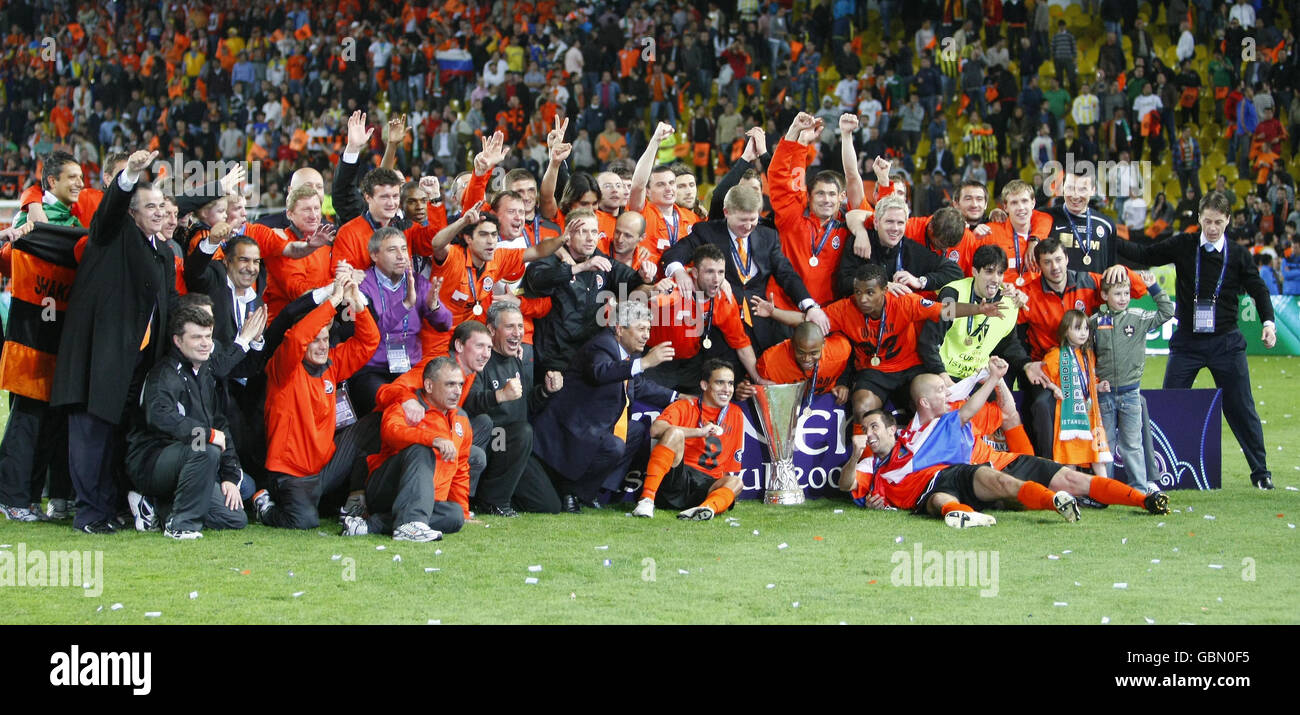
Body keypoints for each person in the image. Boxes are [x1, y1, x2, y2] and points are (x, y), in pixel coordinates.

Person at [50, 149, 180, 534]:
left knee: (114, 440)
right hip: (98, 360)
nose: (158, 212)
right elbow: (108, 212)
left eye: (161, 205)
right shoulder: (113, 232)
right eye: (149, 206)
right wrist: (129, 179)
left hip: (135, 365)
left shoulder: (162, 253)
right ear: (132, 212)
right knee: (90, 438)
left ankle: (107, 509)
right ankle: (89, 514)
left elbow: (168, 306)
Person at [1115, 191, 1278, 489]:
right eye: (1207, 221)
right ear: (1199, 218)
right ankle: (1160, 473)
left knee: (1242, 408)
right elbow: (1144, 255)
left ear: (1228, 220)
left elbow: (1259, 290)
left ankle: (1261, 473)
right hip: (1187, 341)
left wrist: (1269, 323)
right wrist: (1107, 236)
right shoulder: (1184, 244)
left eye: (1218, 222)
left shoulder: (1239, 255)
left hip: (1226, 343)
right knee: (1168, 405)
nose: (1212, 228)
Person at [253, 274, 380, 529]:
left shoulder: (332, 363)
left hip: (325, 467)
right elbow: (298, 337)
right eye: (316, 340)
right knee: (304, 521)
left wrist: (358, 305)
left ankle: (354, 500)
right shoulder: (284, 367)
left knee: (378, 421)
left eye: (325, 339)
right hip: (291, 471)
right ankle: (264, 506)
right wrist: (333, 299)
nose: (322, 346)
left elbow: (369, 342)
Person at [530, 301, 678, 512]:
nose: (646, 335)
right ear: (619, 329)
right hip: (574, 422)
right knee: (614, 445)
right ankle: (569, 491)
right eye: (641, 329)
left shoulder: (628, 352)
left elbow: (638, 384)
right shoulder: (602, 344)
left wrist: (677, 396)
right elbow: (601, 372)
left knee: (635, 431)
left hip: (598, 422)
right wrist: (644, 363)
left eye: (649, 329)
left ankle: (588, 492)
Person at [123, 305, 248, 539]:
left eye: (208, 336)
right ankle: (181, 525)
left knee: (234, 518)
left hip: (191, 462)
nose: (205, 343)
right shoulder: (164, 374)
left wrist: (231, 476)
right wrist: (208, 435)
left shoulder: (206, 372)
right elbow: (161, 417)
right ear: (178, 341)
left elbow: (220, 424)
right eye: (196, 337)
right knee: (206, 448)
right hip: (151, 461)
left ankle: (154, 506)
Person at [826, 263, 1005, 422]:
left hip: (910, 367)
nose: (863, 299)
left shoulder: (903, 302)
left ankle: (930, 452)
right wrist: (812, 310)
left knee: (935, 397)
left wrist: (978, 309)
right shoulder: (844, 308)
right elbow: (810, 320)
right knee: (862, 408)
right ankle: (867, 458)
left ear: (885, 290)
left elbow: (944, 310)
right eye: (858, 292)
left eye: (870, 292)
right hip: (874, 371)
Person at [662, 184, 829, 354]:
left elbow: (786, 273)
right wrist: (680, 272)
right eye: (743, 220)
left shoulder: (768, 236)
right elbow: (673, 255)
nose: (748, 226)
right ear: (727, 212)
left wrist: (810, 306)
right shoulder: (707, 232)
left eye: (753, 220)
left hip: (762, 324)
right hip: (720, 330)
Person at [342, 357, 471, 542]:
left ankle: (371, 525)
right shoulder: (407, 405)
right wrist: (432, 439)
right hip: (386, 489)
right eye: (450, 384)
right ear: (429, 385)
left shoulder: (461, 419)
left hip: (428, 498)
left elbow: (460, 469)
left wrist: (464, 510)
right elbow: (392, 433)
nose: (457, 391)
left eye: (460, 384)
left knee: (455, 515)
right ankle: (411, 523)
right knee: (421, 450)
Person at [461, 303, 564, 515]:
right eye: (509, 327)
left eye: (520, 326)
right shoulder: (480, 359)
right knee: (522, 431)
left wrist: (545, 390)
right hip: (491, 440)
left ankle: (488, 496)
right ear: (491, 330)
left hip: (516, 446)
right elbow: (468, 402)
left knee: (549, 505)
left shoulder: (518, 359)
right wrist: (499, 396)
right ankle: (495, 501)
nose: (517, 333)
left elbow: (525, 403)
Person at [525, 207, 653, 374]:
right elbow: (537, 280)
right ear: (568, 235)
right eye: (582, 232)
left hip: (589, 356)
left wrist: (643, 275)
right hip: (554, 359)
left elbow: (628, 280)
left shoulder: (600, 260)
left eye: (594, 232)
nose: (590, 238)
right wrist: (577, 268)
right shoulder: (550, 259)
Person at [353, 227, 453, 415]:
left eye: (403, 249)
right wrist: (406, 305)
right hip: (372, 370)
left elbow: (445, 324)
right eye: (392, 250)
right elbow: (371, 331)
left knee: (434, 408)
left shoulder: (417, 281)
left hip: (410, 367)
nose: (401, 256)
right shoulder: (362, 286)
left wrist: (434, 307)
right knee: (395, 409)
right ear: (374, 255)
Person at [1091, 270, 1175, 492]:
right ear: (1104, 296)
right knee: (1104, 445)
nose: (1123, 298)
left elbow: (1168, 312)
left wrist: (1154, 288)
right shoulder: (1095, 322)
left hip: (1130, 394)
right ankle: (1106, 490)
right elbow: (1086, 358)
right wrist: (1096, 382)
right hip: (1104, 395)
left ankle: (1138, 489)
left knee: (1132, 445)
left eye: (1126, 293)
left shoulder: (1138, 317)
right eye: (1117, 293)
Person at [632, 359, 746, 520]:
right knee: (675, 432)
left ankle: (704, 509)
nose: (727, 389)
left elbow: (730, 466)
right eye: (720, 383)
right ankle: (646, 500)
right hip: (677, 479)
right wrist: (698, 432)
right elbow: (655, 430)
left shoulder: (736, 414)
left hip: (707, 485)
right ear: (705, 385)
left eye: (730, 384)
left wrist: (726, 493)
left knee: (736, 482)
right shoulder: (684, 406)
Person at [646, 243, 765, 393]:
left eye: (721, 272)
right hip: (657, 361)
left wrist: (757, 378)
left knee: (701, 406)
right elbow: (646, 302)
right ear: (694, 273)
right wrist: (652, 293)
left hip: (692, 364)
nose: (716, 279)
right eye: (709, 272)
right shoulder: (675, 289)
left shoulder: (723, 298)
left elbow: (740, 343)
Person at [768, 112, 853, 309]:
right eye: (820, 194)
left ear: (841, 197)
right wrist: (795, 135)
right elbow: (779, 175)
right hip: (783, 309)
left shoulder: (847, 225)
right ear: (810, 196)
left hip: (826, 313)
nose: (826, 200)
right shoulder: (792, 217)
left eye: (832, 194)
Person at [920, 244, 1030, 384]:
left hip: (977, 377)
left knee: (1007, 404)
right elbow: (929, 342)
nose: (996, 279)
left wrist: (1027, 365)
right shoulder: (952, 295)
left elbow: (1009, 345)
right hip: (942, 373)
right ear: (974, 271)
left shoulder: (1010, 303)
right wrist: (944, 378)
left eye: (1000, 273)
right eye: (989, 271)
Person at [838, 196, 963, 300]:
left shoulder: (912, 250)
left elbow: (955, 272)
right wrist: (880, 286)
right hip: (861, 318)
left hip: (897, 322)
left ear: (906, 224)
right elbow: (844, 283)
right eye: (889, 222)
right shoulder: (859, 243)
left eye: (900, 223)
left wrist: (920, 281)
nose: (895, 228)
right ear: (876, 222)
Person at [1039, 310, 1112, 478]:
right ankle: (1069, 495)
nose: (1083, 333)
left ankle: (1106, 495)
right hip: (1069, 417)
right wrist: (1054, 388)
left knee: (1098, 458)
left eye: (1086, 329)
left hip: (1091, 416)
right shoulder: (1055, 354)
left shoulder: (1088, 355)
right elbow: (1042, 376)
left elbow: (1088, 380)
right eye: (1078, 328)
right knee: (1069, 459)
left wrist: (1099, 386)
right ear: (1065, 330)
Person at [628, 123, 702, 265]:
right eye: (661, 184)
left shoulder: (693, 219)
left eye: (671, 183)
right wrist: (655, 141)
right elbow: (637, 185)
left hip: (683, 284)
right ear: (648, 191)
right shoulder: (642, 212)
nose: (669, 188)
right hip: (649, 284)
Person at [755, 322, 854, 407]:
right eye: (801, 352)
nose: (807, 359)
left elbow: (846, 366)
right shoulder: (769, 362)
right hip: (786, 407)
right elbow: (756, 388)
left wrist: (842, 384)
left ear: (823, 344)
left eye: (814, 353)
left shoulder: (840, 350)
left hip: (824, 404)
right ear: (792, 344)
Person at [1045, 169, 1120, 271]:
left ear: (1093, 190)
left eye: (1082, 189)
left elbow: (1110, 267)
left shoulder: (1106, 224)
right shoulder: (1046, 217)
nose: (1075, 196)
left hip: (1095, 287)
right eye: (1070, 188)